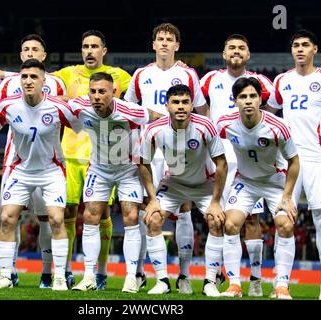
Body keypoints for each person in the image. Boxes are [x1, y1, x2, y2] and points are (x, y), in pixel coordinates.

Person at [0, 59, 82, 290]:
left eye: (34, 77)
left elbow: (80, 128)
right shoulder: (8, 106)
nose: (28, 81)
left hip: (52, 171)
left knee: (56, 219)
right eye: (25, 77)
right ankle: (5, 276)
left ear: (43, 81)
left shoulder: (59, 107)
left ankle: (59, 276)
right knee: (7, 218)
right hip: (21, 170)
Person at [124, 23, 206, 292]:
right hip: (148, 151)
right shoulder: (140, 75)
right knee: (146, 210)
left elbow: (202, 111)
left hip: (179, 151)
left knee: (183, 211)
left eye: (169, 39)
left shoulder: (187, 74)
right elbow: (129, 111)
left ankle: (183, 275)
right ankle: (140, 273)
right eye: (160, 39)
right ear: (153, 44)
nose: (164, 43)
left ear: (177, 45)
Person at [269, 29, 321, 300]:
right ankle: (281, 283)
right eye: (295, 45)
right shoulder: (281, 81)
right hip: (287, 157)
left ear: (315, 49)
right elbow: (267, 114)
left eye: (305, 45)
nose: (300, 49)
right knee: (284, 218)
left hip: (317, 157)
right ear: (291, 51)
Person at [52, 30, 131, 289]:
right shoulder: (68, 73)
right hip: (71, 154)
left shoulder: (120, 76)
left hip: (103, 156)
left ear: (103, 51)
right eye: (85, 46)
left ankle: (102, 271)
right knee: (70, 212)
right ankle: (65, 270)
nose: (89, 50)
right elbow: (40, 82)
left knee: (100, 213)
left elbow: (140, 95)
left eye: (94, 46)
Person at [199, 34, 276, 296]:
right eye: (231, 47)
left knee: (252, 220)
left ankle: (254, 279)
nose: (236, 51)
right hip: (218, 159)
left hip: (249, 161)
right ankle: (213, 278)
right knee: (216, 216)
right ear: (223, 54)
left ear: (248, 54)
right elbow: (202, 115)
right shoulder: (209, 80)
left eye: (241, 48)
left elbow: (269, 120)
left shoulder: (263, 83)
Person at [70, 72, 156, 293]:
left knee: (132, 217)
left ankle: (130, 277)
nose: (96, 96)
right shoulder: (80, 106)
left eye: (102, 92)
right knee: (90, 216)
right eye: (93, 91)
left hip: (127, 169)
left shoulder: (129, 111)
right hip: (99, 168)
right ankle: (88, 276)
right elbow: (58, 102)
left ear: (114, 93)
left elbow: (157, 116)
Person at [217, 77, 299, 299]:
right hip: (246, 181)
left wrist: (287, 196)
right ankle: (234, 285)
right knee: (231, 223)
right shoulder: (224, 124)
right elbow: (214, 153)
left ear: (261, 99)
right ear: (235, 101)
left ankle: (281, 286)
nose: (248, 101)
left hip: (275, 181)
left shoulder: (277, 126)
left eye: (253, 96)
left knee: (285, 225)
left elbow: (294, 161)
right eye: (243, 97)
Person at [140, 84, 227, 294]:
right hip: (175, 184)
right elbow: (143, 163)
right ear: (167, 105)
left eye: (185, 102)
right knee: (152, 218)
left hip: (204, 184)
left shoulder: (206, 126)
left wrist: (216, 201)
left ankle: (210, 282)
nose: (181, 107)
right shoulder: (154, 129)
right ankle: (162, 281)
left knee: (217, 221)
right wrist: (152, 198)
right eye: (176, 102)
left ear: (191, 105)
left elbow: (221, 164)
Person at [0, 34, 66, 289]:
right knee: (8, 216)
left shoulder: (57, 85)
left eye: (35, 49)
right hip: (15, 161)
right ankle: (8, 272)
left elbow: (63, 120)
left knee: (48, 218)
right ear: (20, 55)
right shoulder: (7, 85)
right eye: (25, 49)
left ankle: (49, 273)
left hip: (48, 161)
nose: (30, 52)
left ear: (44, 56)